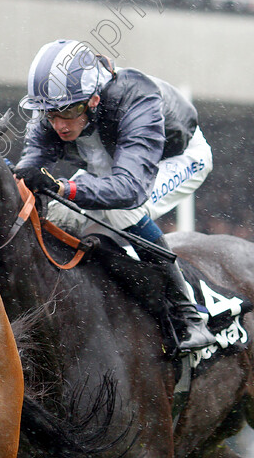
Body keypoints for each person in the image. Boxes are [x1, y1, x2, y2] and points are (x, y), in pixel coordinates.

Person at [14, 39, 215, 354]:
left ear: (93, 100)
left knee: (120, 210)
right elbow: (30, 169)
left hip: (177, 159)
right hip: (115, 163)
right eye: (49, 113)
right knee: (56, 213)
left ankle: (188, 314)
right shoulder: (56, 105)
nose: (58, 124)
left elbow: (129, 189)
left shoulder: (138, 98)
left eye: (67, 111)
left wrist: (63, 187)